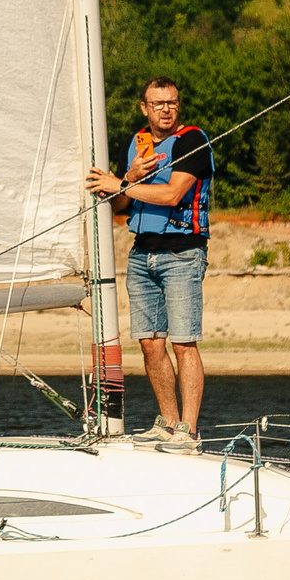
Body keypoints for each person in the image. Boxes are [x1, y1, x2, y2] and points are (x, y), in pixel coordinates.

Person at [86, 76, 212, 452]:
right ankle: (168, 423)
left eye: (171, 103)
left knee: (183, 342)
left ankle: (188, 431)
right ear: (144, 107)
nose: (166, 110)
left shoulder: (193, 141)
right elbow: (120, 205)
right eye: (158, 104)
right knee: (150, 344)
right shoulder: (138, 144)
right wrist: (127, 178)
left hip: (182, 253)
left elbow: (173, 194)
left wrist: (118, 184)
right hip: (142, 254)